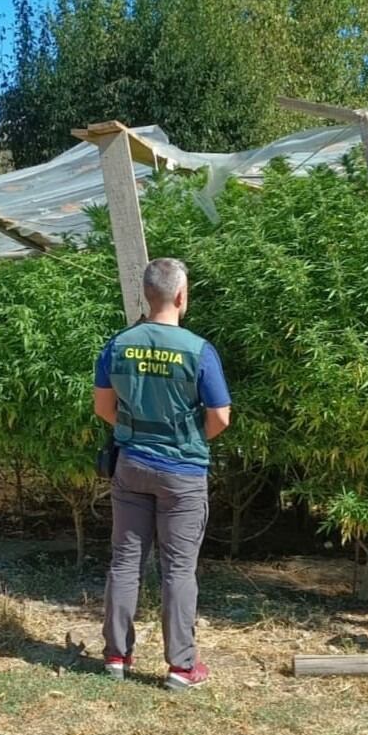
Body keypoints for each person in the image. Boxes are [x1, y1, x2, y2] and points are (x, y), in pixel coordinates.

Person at [93, 257, 231, 692]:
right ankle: (180, 667)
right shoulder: (198, 350)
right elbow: (220, 417)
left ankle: (116, 657)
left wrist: (135, 434)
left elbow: (102, 407)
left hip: (131, 466)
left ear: (145, 296)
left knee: (125, 561)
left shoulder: (118, 344)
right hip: (182, 473)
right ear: (181, 296)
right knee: (177, 569)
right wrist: (189, 440)